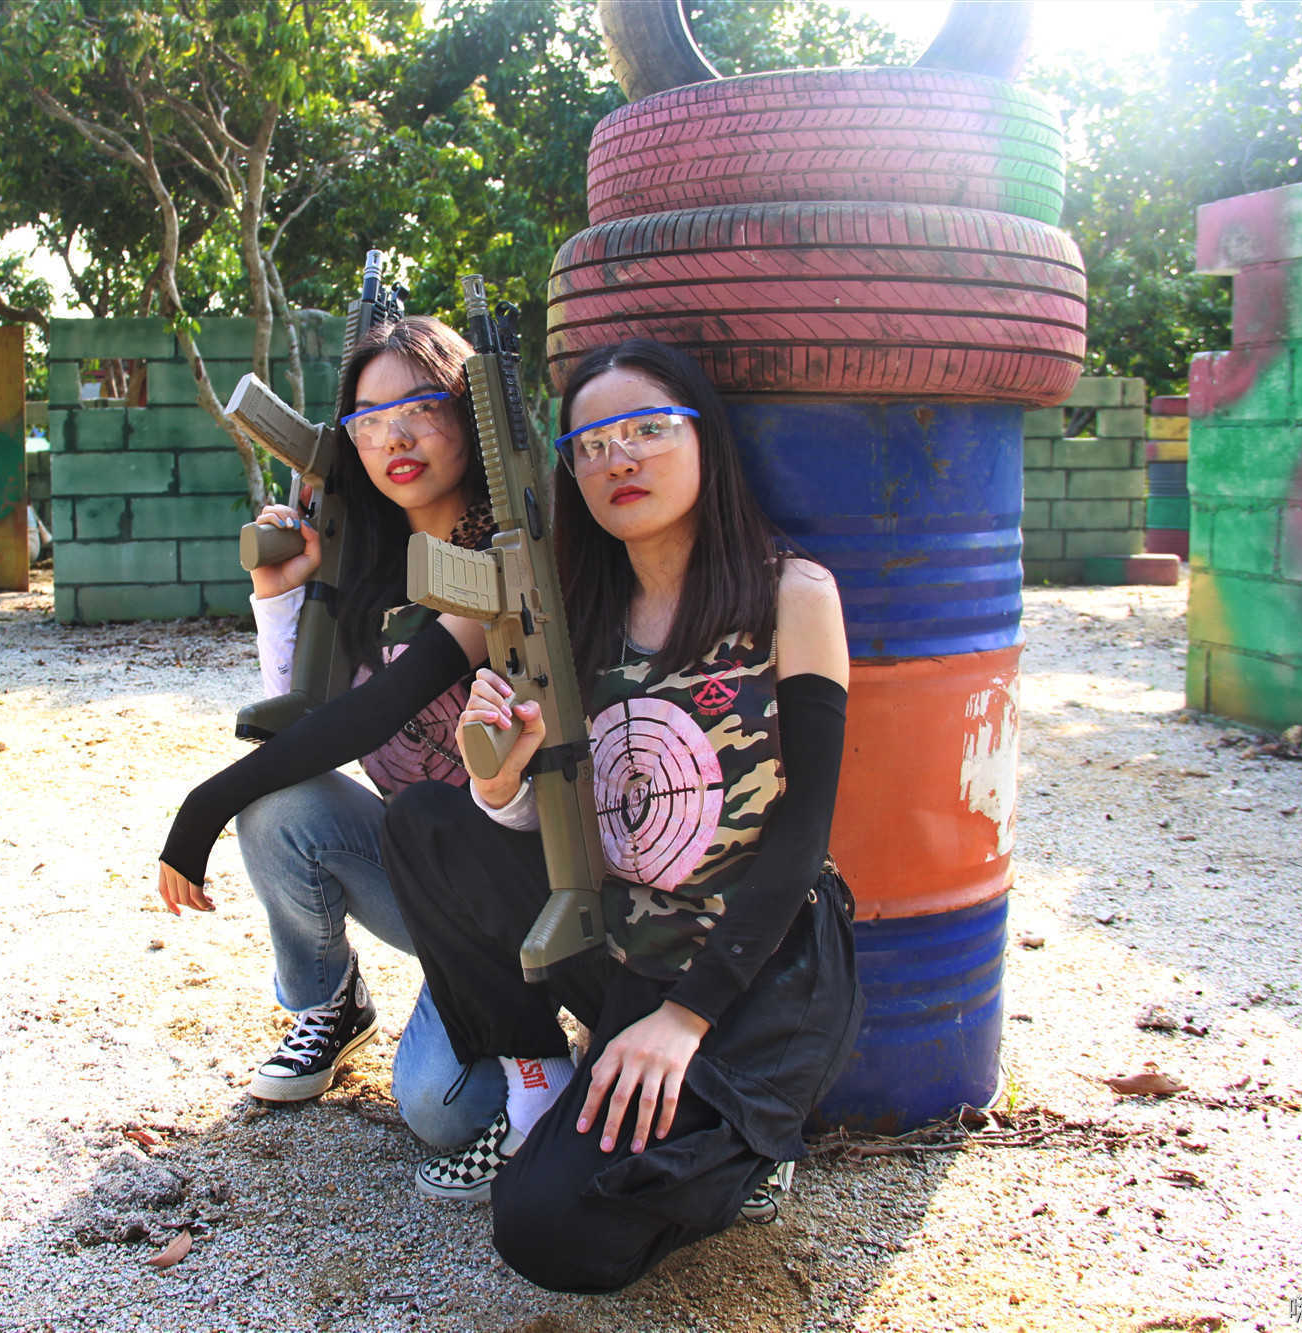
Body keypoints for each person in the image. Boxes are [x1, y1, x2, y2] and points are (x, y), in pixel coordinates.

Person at [380, 337, 863, 1293]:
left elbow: (804, 836)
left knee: (548, 1230)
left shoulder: (793, 596)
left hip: (759, 964)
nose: (619, 459)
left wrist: (684, 1018)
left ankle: (748, 1142)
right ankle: (543, 1088)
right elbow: (565, 833)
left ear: (704, 437)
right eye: (592, 444)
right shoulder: (576, 615)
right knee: (426, 823)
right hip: (631, 949)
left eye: (647, 429)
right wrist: (500, 782)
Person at [154, 315, 506, 1146]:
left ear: (471, 412)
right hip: (421, 871)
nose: (396, 437)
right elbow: (304, 720)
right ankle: (331, 1004)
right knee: (279, 804)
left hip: (509, 898)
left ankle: (533, 1037)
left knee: (443, 1109)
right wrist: (283, 594)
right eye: (370, 419)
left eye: (421, 407)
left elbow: (374, 714)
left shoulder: (502, 555)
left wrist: (202, 806)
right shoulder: (370, 558)